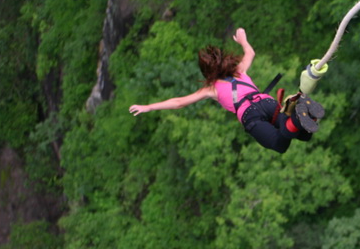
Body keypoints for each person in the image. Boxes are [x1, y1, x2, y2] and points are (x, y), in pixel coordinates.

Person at [129, 28, 324, 154]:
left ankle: (299, 117)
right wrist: (242, 40)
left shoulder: (211, 88)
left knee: (280, 144)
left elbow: (179, 102)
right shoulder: (239, 70)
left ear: (207, 72)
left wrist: (149, 107)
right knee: (302, 135)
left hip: (251, 114)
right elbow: (250, 53)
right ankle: (303, 116)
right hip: (267, 102)